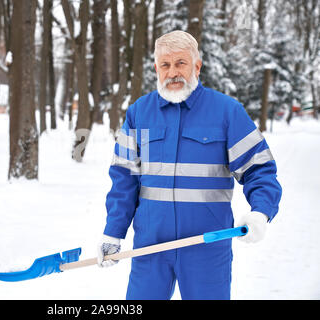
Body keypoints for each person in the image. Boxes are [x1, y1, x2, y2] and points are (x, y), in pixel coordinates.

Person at [97, 30, 282, 300]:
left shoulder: (227, 112)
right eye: (165, 64)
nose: (173, 72)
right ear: (156, 68)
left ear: (197, 66)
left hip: (207, 249)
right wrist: (113, 232)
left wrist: (261, 212)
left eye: (181, 63)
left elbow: (259, 170)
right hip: (150, 248)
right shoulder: (139, 113)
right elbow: (124, 178)